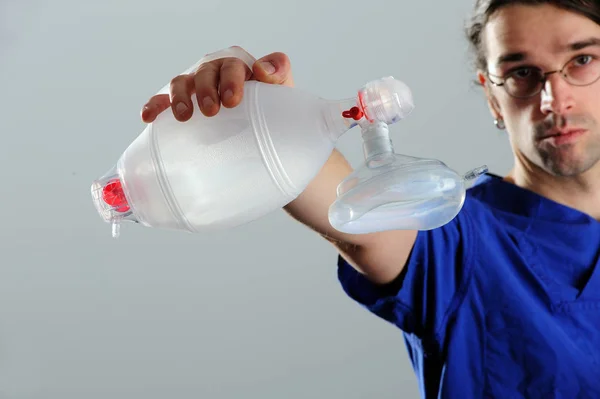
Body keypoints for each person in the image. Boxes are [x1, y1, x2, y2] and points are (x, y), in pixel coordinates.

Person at [140, 0, 600, 397]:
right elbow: (343, 206)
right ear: (493, 97)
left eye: (582, 61)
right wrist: (252, 111)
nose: (552, 99)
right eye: (521, 72)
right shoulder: (456, 238)